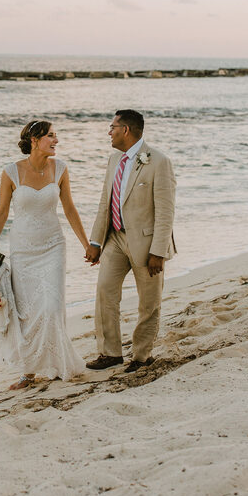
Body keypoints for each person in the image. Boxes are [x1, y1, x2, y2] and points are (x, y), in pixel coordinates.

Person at [0, 120, 89, 390]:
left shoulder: (61, 168)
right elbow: (2, 212)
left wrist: (86, 244)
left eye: (56, 136)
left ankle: (58, 363)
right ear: (34, 139)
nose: (56, 140)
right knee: (27, 313)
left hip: (53, 245)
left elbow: (69, 209)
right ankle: (28, 372)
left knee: (52, 308)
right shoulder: (11, 172)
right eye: (51, 136)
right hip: (23, 249)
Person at [84, 109, 176, 373]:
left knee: (148, 303)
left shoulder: (158, 161)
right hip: (115, 238)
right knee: (105, 292)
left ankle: (141, 355)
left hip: (147, 245)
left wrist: (158, 251)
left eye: (112, 127)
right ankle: (110, 353)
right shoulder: (114, 160)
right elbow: (105, 202)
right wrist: (96, 242)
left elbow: (166, 210)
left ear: (126, 130)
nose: (109, 132)